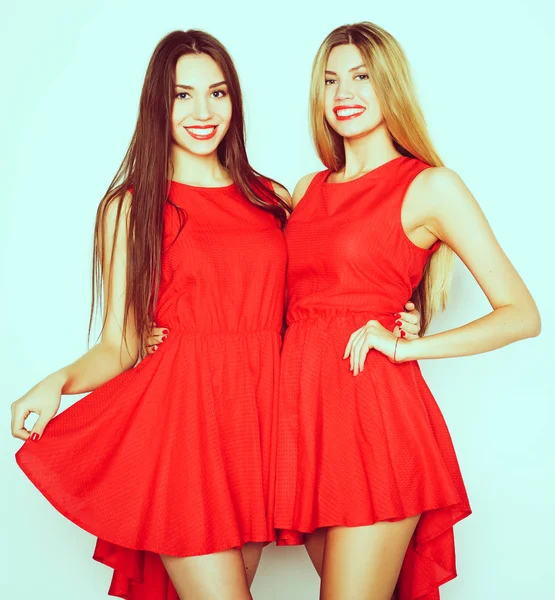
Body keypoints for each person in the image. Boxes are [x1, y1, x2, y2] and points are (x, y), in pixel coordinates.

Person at [11, 29, 293, 600]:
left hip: (258, 427)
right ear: (157, 104)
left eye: (217, 93)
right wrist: (56, 383)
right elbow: (120, 342)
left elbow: (320, 298)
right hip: (183, 427)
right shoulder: (133, 206)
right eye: (181, 95)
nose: (202, 111)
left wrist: (407, 315)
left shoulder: (272, 199)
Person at [273, 21, 541, 600]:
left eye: (362, 77)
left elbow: (521, 313)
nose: (344, 92)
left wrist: (408, 344)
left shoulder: (431, 187)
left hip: (377, 426)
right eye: (330, 80)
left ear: (390, 85)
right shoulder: (305, 189)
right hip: (306, 427)